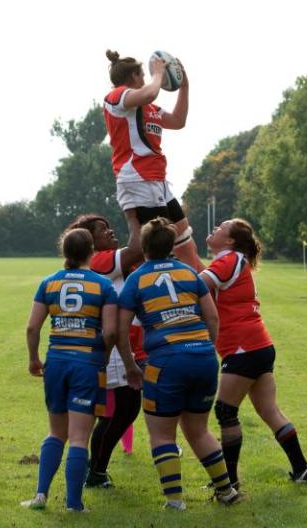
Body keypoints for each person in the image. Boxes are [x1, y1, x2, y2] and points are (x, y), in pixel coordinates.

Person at [118, 218, 239, 510]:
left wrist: (131, 365)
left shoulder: (137, 279)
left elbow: (118, 331)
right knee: (199, 430)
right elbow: (212, 318)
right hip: (203, 358)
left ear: (144, 247)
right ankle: (227, 491)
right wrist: (205, 348)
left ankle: (174, 501)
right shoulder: (189, 273)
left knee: (162, 434)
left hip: (165, 362)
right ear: (171, 246)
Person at [21, 228, 139, 512]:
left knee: (55, 433)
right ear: (91, 252)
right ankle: (74, 503)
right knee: (78, 438)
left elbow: (32, 326)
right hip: (87, 364)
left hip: (56, 362)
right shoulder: (103, 286)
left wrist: (34, 359)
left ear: (65, 252)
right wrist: (103, 356)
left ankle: (40, 496)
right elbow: (110, 333)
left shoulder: (48, 283)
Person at [200, 218, 307, 488]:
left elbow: (197, 285)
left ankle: (229, 480)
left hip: (243, 348)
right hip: (259, 345)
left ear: (230, 240)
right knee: (269, 410)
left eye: (222, 226)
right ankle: (302, 469)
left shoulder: (228, 259)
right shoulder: (235, 259)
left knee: (225, 411)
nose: (216, 226)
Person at [102, 49, 203, 272]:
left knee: (184, 240)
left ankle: (200, 287)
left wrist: (184, 87)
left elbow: (178, 121)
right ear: (134, 77)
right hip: (137, 179)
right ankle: (108, 273)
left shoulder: (148, 107)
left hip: (157, 180)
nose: (147, 79)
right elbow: (149, 93)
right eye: (144, 75)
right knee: (153, 248)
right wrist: (159, 72)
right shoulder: (117, 97)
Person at [65, 214, 145, 489]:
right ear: (90, 240)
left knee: (122, 409)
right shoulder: (101, 260)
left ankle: (95, 467)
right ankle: (95, 469)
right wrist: (133, 213)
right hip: (110, 348)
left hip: (114, 346)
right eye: (103, 230)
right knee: (120, 410)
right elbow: (137, 248)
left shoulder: (108, 260)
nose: (110, 232)